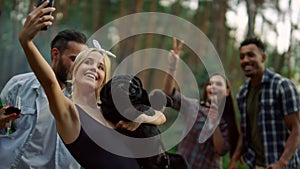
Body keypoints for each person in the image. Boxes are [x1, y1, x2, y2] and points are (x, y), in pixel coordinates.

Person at [18, 1, 166, 169]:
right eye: (88, 62)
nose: (94, 69)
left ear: (103, 78)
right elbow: (50, 83)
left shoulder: (109, 110)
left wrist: (141, 118)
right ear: (75, 70)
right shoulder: (70, 113)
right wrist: (26, 42)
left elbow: (160, 116)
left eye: (100, 67)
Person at [0, 13, 87, 169]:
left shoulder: (83, 101)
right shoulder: (18, 85)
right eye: (74, 59)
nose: (78, 67)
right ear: (55, 54)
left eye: (83, 61)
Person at [163, 38, 240, 169]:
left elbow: (221, 150)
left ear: (227, 91)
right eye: (210, 84)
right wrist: (172, 67)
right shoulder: (194, 106)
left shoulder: (226, 122)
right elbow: (169, 93)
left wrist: (214, 121)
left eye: (218, 84)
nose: (213, 86)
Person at [228, 37, 300, 169]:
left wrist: (282, 162)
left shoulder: (282, 86)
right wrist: (234, 158)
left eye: (250, 55)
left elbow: (296, 129)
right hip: (256, 164)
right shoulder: (242, 93)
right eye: (242, 57)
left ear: (263, 58)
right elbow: (245, 133)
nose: (245, 60)